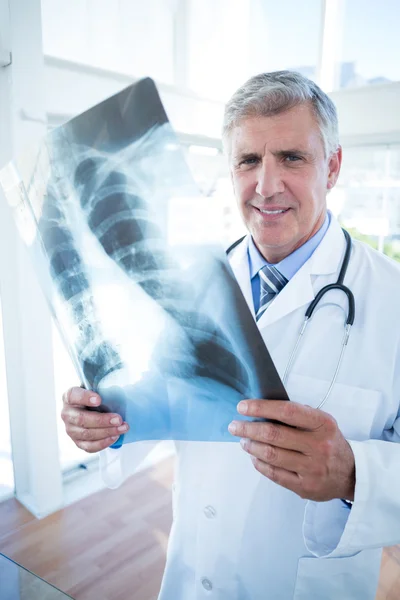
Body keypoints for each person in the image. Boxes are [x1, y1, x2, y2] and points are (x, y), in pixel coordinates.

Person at [61, 71, 400, 599]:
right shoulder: (192, 280)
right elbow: (161, 395)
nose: (266, 185)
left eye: (292, 157)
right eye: (247, 161)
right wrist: (101, 422)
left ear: (332, 167)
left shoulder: (393, 300)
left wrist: (356, 473)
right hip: (194, 576)